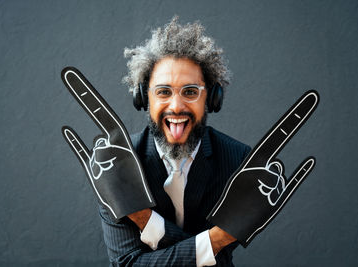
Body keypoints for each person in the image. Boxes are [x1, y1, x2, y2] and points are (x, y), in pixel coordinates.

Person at [98, 17, 251, 266]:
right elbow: (126, 263)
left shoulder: (240, 162)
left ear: (212, 98)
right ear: (143, 98)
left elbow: (219, 262)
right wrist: (215, 240)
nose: (177, 106)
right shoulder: (115, 165)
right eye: (163, 92)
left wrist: (149, 223)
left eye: (190, 92)